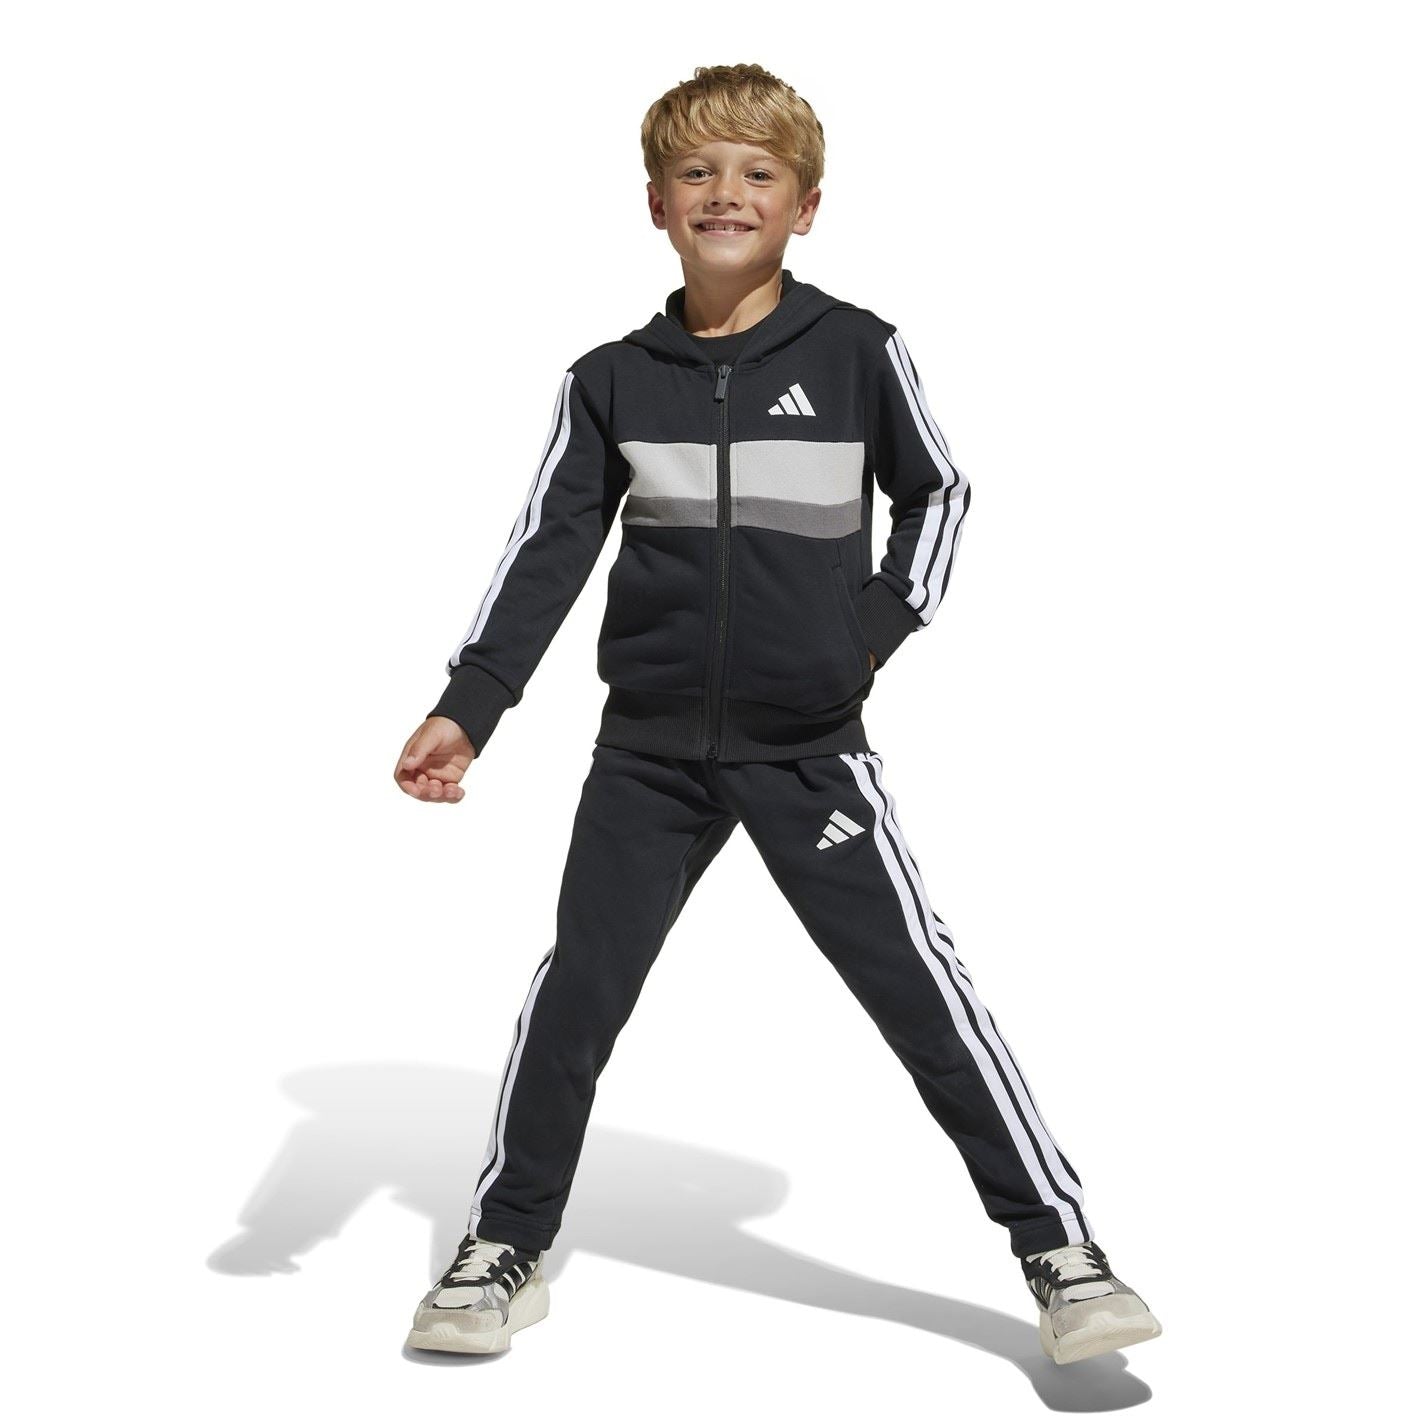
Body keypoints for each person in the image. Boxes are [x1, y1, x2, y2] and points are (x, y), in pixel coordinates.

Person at [393, 62, 1161, 1366]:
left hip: (808, 752)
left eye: (758, 173)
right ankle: (504, 1246)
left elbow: (939, 495)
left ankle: (1062, 1254)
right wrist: (471, 706)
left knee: (919, 993)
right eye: (696, 172)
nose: (725, 193)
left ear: (804, 206)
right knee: (578, 993)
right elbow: (549, 548)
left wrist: (863, 637)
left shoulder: (855, 351)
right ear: (655, 204)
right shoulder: (610, 379)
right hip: (645, 754)